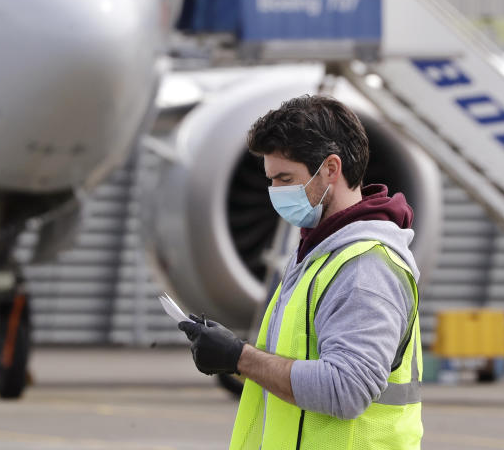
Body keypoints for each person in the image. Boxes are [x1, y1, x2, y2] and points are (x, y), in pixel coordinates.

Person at [178, 94, 423, 449]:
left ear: (331, 169)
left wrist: (239, 357)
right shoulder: (315, 254)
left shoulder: (364, 267)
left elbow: (346, 389)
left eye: (285, 178)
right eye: (271, 180)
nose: (274, 192)